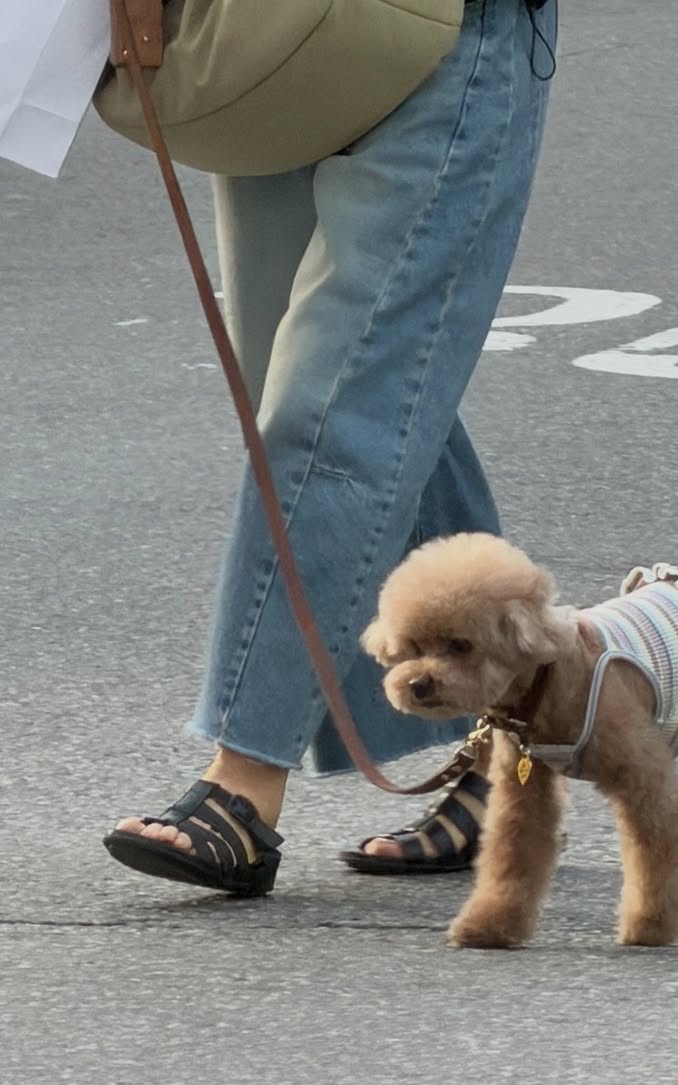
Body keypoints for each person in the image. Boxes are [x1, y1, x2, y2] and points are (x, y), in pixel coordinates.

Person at [103, 0, 557, 896]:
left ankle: (243, 787)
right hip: (274, 28)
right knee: (368, 390)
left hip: (450, 35)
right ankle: (488, 755)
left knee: (336, 411)